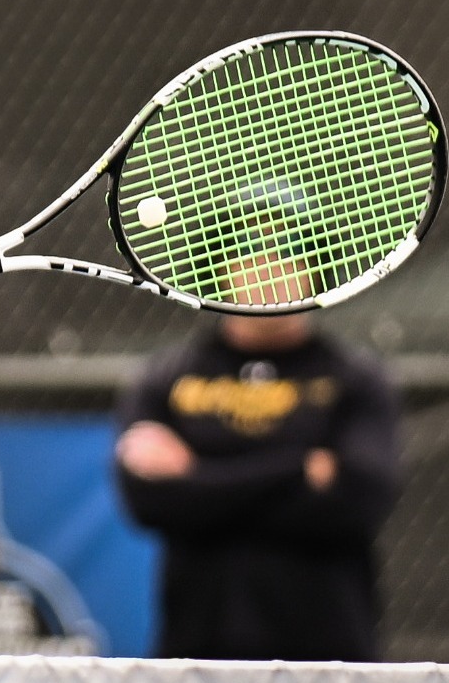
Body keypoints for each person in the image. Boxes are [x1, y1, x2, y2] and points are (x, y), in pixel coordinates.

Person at [113, 235, 404, 661]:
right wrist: (297, 469)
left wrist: (198, 476)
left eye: (287, 255)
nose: (268, 270)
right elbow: (147, 502)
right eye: (250, 254)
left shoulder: (357, 378)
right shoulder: (167, 377)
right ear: (221, 271)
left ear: (315, 270)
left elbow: (361, 499)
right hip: (198, 651)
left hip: (330, 653)